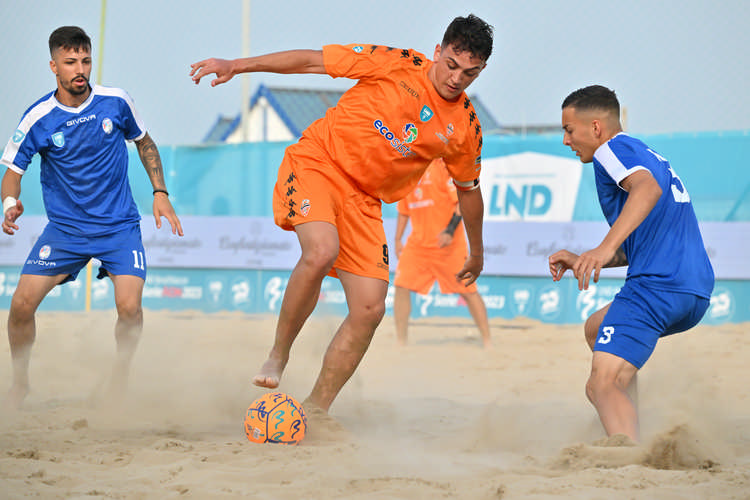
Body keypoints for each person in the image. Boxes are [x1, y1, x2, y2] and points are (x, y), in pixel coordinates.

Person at [191, 14, 493, 414]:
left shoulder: (466, 128)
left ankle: (316, 410)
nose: (456, 79)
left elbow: (469, 192)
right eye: (451, 65)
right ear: (438, 52)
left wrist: (477, 251)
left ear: (480, 71)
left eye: (469, 73)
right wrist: (237, 65)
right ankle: (278, 354)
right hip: (320, 162)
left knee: (370, 308)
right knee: (321, 251)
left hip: (365, 201)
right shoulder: (396, 62)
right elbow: (312, 62)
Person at [1, 26, 183, 408]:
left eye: (85, 60)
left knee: (130, 308)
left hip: (119, 228)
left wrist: (160, 193)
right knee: (20, 306)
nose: (80, 69)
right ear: (54, 66)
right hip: (65, 231)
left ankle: (119, 378)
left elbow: (144, 141)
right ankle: (20, 384)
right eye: (70, 62)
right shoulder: (38, 117)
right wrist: (10, 203)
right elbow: (13, 172)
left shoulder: (115, 101)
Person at [549, 85, 714, 442]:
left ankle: (628, 451)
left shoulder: (610, 149)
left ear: (596, 127)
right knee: (596, 328)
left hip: (657, 286)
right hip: (693, 289)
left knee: (601, 384)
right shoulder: (644, 153)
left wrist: (603, 248)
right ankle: (627, 421)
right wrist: (584, 258)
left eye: (569, 130)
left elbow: (647, 190)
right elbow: (642, 238)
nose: (565, 140)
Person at [393, 158, 491, 348]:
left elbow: (461, 202)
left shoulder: (441, 166)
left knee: (469, 291)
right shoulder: (407, 172)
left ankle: (487, 341)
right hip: (418, 246)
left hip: (449, 246)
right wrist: (397, 239)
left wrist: (449, 230)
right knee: (401, 286)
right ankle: (401, 342)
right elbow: (403, 210)